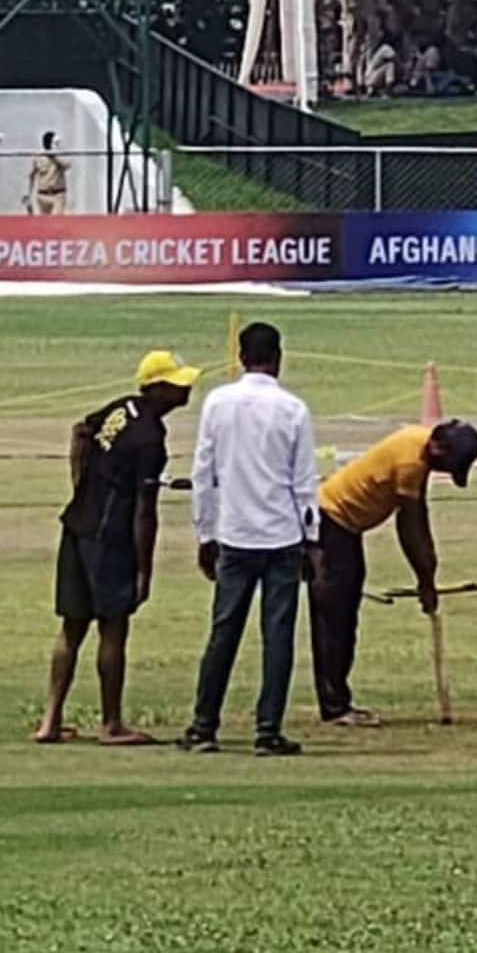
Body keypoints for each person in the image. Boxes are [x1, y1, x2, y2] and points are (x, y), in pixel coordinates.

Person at [35, 350, 201, 746]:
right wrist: (144, 569)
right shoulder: (150, 438)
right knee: (113, 627)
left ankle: (50, 720)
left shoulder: (120, 408)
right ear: (156, 387)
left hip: (78, 522)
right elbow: (145, 510)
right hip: (109, 537)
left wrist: (81, 485)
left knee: (72, 627)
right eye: (178, 384)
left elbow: (80, 432)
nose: (187, 390)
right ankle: (111, 723)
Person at [186, 322, 320, 757]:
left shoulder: (217, 403)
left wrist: (205, 532)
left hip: (234, 534)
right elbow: (304, 484)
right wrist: (311, 540)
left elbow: (204, 474)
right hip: (281, 536)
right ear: (278, 357)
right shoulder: (293, 409)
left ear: (241, 357)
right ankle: (268, 729)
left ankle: (204, 725)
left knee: (223, 631)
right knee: (277, 635)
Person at [308, 419, 477, 727]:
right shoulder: (410, 460)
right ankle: (334, 706)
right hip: (330, 524)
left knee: (344, 614)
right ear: (437, 447)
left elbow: (419, 517)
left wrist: (427, 575)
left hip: (344, 528)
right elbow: (411, 528)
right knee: (335, 616)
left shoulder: (419, 445)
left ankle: (336, 700)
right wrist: (425, 581)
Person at [27, 132, 68, 215]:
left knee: (56, 222)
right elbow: (31, 176)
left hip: (58, 195)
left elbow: (66, 165)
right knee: (44, 224)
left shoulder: (60, 155)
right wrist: (29, 195)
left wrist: (55, 156)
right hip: (43, 196)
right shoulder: (38, 157)